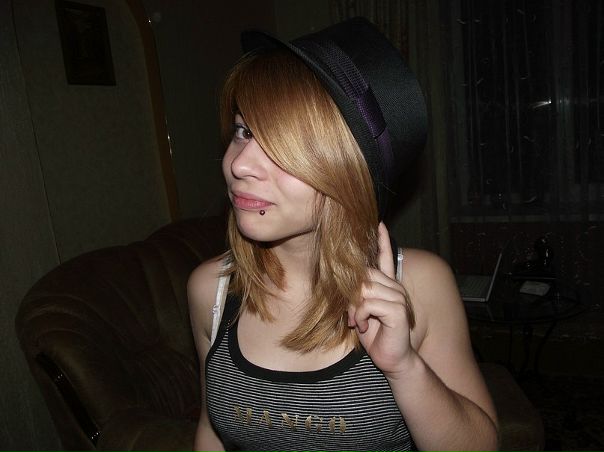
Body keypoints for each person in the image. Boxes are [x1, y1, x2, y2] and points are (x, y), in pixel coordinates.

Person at [188, 17, 498, 452]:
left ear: (349, 172)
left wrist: (404, 367)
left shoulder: (419, 285)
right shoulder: (212, 290)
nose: (239, 164)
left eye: (281, 145)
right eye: (244, 132)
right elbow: (211, 429)